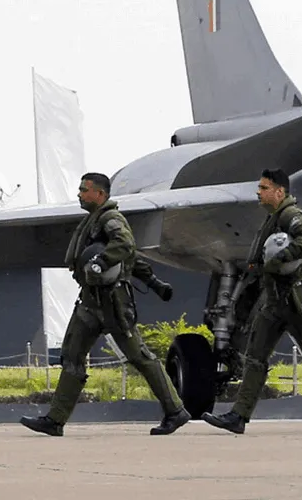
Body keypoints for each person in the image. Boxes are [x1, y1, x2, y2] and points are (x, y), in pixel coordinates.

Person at [20, 172, 190, 437]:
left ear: (99, 194)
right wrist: (153, 282)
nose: (79, 194)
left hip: (113, 303)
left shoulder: (111, 219)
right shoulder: (94, 221)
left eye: (84, 189)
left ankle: (175, 410)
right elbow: (131, 258)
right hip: (90, 301)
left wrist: (102, 262)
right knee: (72, 355)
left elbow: (125, 245)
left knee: (139, 356)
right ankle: (55, 420)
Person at [201, 168, 302, 435]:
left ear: (280, 192)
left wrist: (280, 258)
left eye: (264, 188)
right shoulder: (278, 216)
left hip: (294, 302)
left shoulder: (290, 215)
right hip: (274, 302)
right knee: (255, 357)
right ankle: (238, 416)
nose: (259, 192)